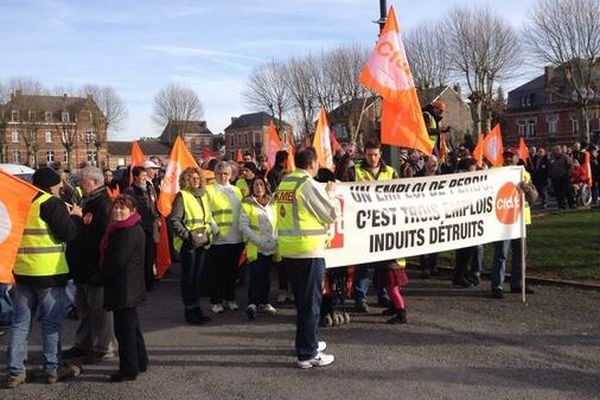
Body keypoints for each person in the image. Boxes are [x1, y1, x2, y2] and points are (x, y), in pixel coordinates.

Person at [6, 167, 82, 388]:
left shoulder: (22, 202)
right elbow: (68, 233)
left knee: (20, 324)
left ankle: (15, 371)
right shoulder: (51, 203)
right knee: (51, 322)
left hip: (22, 271)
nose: (61, 189)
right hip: (48, 273)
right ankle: (52, 367)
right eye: (59, 185)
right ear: (50, 185)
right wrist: (75, 217)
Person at [275, 147, 338, 368]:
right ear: (312, 164)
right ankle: (307, 353)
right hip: (308, 250)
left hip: (289, 249)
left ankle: (307, 341)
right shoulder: (307, 184)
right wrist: (329, 194)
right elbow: (330, 213)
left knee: (303, 301)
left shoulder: (286, 182)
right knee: (311, 302)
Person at [64, 166, 117, 363]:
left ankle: (105, 347)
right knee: (84, 308)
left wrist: (77, 219)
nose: (80, 184)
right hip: (84, 266)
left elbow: (96, 236)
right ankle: (83, 344)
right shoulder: (90, 200)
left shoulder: (102, 203)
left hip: (94, 265)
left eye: (83, 181)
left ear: (93, 182)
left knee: (100, 309)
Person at [100, 195, 148, 382]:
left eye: (123, 208)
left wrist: (100, 274)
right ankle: (139, 361)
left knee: (124, 330)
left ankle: (129, 369)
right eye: (116, 208)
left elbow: (118, 261)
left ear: (133, 210)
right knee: (132, 327)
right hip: (127, 285)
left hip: (124, 287)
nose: (119, 211)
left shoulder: (128, 230)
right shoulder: (123, 228)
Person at [347, 140, 398, 312]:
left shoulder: (391, 172)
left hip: (384, 225)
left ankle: (382, 294)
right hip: (362, 226)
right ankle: (360, 297)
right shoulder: (354, 171)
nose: (373, 158)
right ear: (364, 154)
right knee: (362, 264)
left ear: (380, 154)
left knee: (383, 265)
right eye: (369, 155)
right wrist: (347, 155)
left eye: (375, 155)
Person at [169, 167, 217, 324]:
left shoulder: (203, 195)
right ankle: (190, 310)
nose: (195, 181)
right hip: (189, 244)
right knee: (189, 279)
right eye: (191, 178)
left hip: (202, 242)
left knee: (197, 278)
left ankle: (197, 309)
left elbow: (208, 218)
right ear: (185, 180)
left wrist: (209, 232)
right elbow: (174, 220)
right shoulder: (182, 196)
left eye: (197, 178)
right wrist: (187, 236)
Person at [490, 148, 538, 299]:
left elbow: (534, 198)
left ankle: (518, 284)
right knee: (501, 254)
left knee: (520, 255)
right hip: (503, 220)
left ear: (518, 158)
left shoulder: (524, 174)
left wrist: (528, 189)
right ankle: (497, 286)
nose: (508, 159)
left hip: (520, 220)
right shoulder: (496, 172)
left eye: (511, 156)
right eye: (506, 156)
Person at [205, 161, 244, 313]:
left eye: (226, 174)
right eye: (220, 174)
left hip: (236, 237)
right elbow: (206, 212)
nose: (223, 176)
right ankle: (216, 300)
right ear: (215, 175)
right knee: (218, 272)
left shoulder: (236, 190)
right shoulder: (209, 190)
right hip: (218, 239)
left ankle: (230, 298)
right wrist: (215, 229)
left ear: (231, 175)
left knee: (232, 272)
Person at [240, 177, 278, 320]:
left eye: (261, 184)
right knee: (256, 275)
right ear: (252, 187)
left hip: (271, 245)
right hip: (256, 246)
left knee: (267, 276)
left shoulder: (272, 203)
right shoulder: (247, 203)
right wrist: (258, 240)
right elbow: (243, 226)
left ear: (266, 186)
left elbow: (278, 222)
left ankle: (264, 302)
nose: (259, 187)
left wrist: (275, 240)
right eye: (256, 185)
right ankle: (252, 303)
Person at [125, 166, 160, 291]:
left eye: (146, 175)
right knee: (140, 255)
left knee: (150, 254)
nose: (145, 178)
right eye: (143, 176)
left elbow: (153, 204)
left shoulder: (149, 188)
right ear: (135, 177)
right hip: (138, 226)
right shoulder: (130, 191)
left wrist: (157, 217)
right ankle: (139, 282)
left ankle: (149, 280)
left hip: (151, 225)